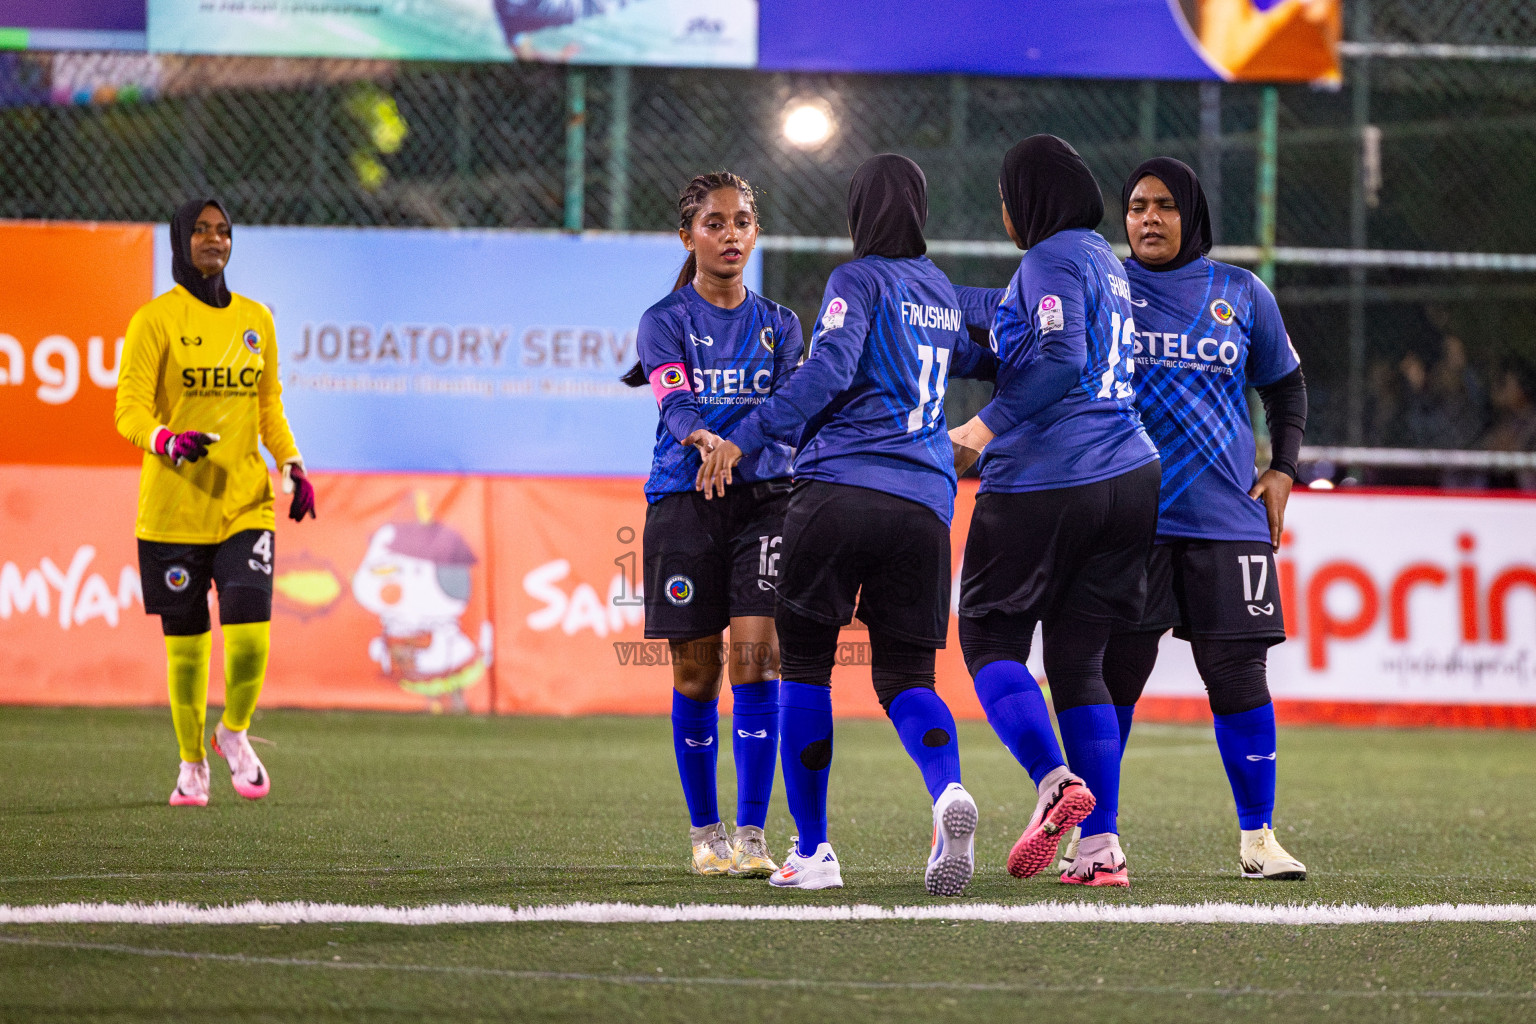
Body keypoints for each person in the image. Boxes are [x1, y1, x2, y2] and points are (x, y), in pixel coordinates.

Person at [698, 154, 998, 895]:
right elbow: (997, 352)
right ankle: (948, 791)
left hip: (840, 492)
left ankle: (815, 850)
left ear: (861, 213)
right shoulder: (941, 292)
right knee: (907, 676)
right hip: (926, 505)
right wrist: (987, 427)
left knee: (805, 669)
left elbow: (830, 369)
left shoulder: (856, 280)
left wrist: (751, 433)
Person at [1074, 156, 1308, 881]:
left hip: (1226, 523)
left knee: (1239, 678)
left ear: (1192, 215)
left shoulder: (1240, 292)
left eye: (1166, 206)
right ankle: (1100, 840)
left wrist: (1283, 468)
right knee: (1113, 682)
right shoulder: (1100, 289)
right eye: (1138, 205)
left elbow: (1287, 384)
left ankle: (1259, 840)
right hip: (1128, 521)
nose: (1149, 218)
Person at [947, 135, 1161, 889]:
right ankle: (1101, 851)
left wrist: (981, 427)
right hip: (1130, 477)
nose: (1006, 213)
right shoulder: (1101, 258)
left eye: (1009, 198)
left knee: (989, 636)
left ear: (1027, 200)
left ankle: (1051, 781)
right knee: (1079, 662)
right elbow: (1031, 340)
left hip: (1048, 476)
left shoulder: (1046, 259)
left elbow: (1061, 357)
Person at [621, 172, 802, 879]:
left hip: (765, 501)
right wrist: (703, 440)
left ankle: (753, 835)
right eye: (716, 223)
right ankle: (706, 834)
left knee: (758, 661)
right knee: (696, 678)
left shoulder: (782, 324)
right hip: (682, 501)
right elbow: (672, 401)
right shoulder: (664, 319)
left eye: (743, 222)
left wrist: (735, 447)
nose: (731, 235)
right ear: (687, 235)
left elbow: (789, 408)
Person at [114, 199, 316, 808]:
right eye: (200, 230)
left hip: (244, 504)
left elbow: (268, 407)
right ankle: (191, 762)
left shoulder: (257, 319)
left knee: (251, 633)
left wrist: (291, 462)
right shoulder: (154, 321)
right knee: (188, 648)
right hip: (174, 510)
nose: (213, 239)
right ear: (181, 241)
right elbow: (129, 412)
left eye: (222, 230)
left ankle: (233, 732)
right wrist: (167, 440)